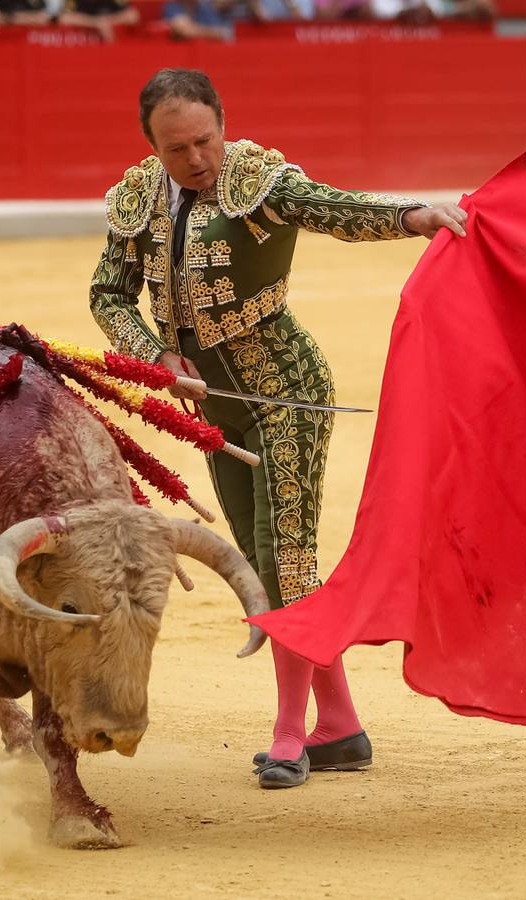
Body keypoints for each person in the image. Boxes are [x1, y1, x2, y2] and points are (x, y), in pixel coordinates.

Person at [87, 68, 467, 789]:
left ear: (222, 126)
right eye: (177, 148)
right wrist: (153, 355)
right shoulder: (136, 198)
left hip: (289, 393)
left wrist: (413, 216)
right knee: (265, 564)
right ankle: (342, 726)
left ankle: (292, 733)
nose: (196, 159)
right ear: (153, 147)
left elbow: (334, 208)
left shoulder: (259, 181)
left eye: (205, 140)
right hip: (218, 409)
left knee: (284, 557)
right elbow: (108, 294)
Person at [58, 0, 141, 42]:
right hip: (83, 44)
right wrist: (95, 23)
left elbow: (133, 15)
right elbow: (64, 18)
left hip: (114, 44)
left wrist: (108, 22)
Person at [161, 0, 236, 41]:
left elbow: (224, 34)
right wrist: (211, 34)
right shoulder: (172, 6)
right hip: (178, 58)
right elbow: (185, 31)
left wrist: (196, 30)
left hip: (208, 55)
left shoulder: (205, 9)